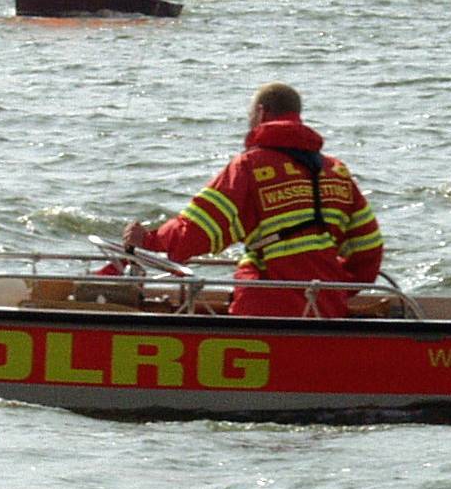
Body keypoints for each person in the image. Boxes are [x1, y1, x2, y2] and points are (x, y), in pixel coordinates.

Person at [123, 83, 383, 318]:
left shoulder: (249, 167)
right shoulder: (336, 171)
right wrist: (334, 290)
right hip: (326, 309)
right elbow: (368, 248)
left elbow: (198, 229)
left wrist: (148, 239)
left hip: (263, 309)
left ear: (260, 113)